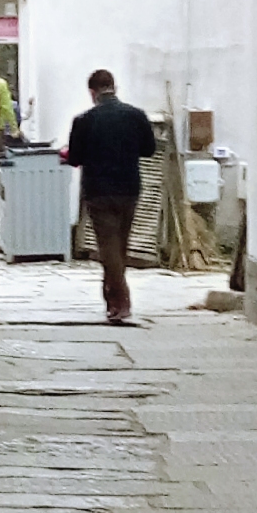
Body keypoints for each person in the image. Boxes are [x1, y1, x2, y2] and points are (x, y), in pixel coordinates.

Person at [61, 68, 159, 326]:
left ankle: (121, 301)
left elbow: (74, 158)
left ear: (92, 92)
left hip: (98, 190)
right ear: (115, 87)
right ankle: (112, 299)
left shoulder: (84, 120)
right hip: (128, 188)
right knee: (119, 245)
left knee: (108, 247)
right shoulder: (136, 116)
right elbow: (149, 150)